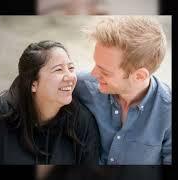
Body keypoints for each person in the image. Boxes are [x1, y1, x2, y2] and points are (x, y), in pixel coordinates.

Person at [0, 40, 100, 164]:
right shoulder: (0, 117)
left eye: (71, 68)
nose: (70, 77)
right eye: (58, 70)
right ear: (33, 84)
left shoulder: (82, 123)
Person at [74, 16, 172, 165]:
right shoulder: (81, 85)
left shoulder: (168, 112)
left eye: (105, 71)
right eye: (95, 64)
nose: (94, 73)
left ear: (139, 76)